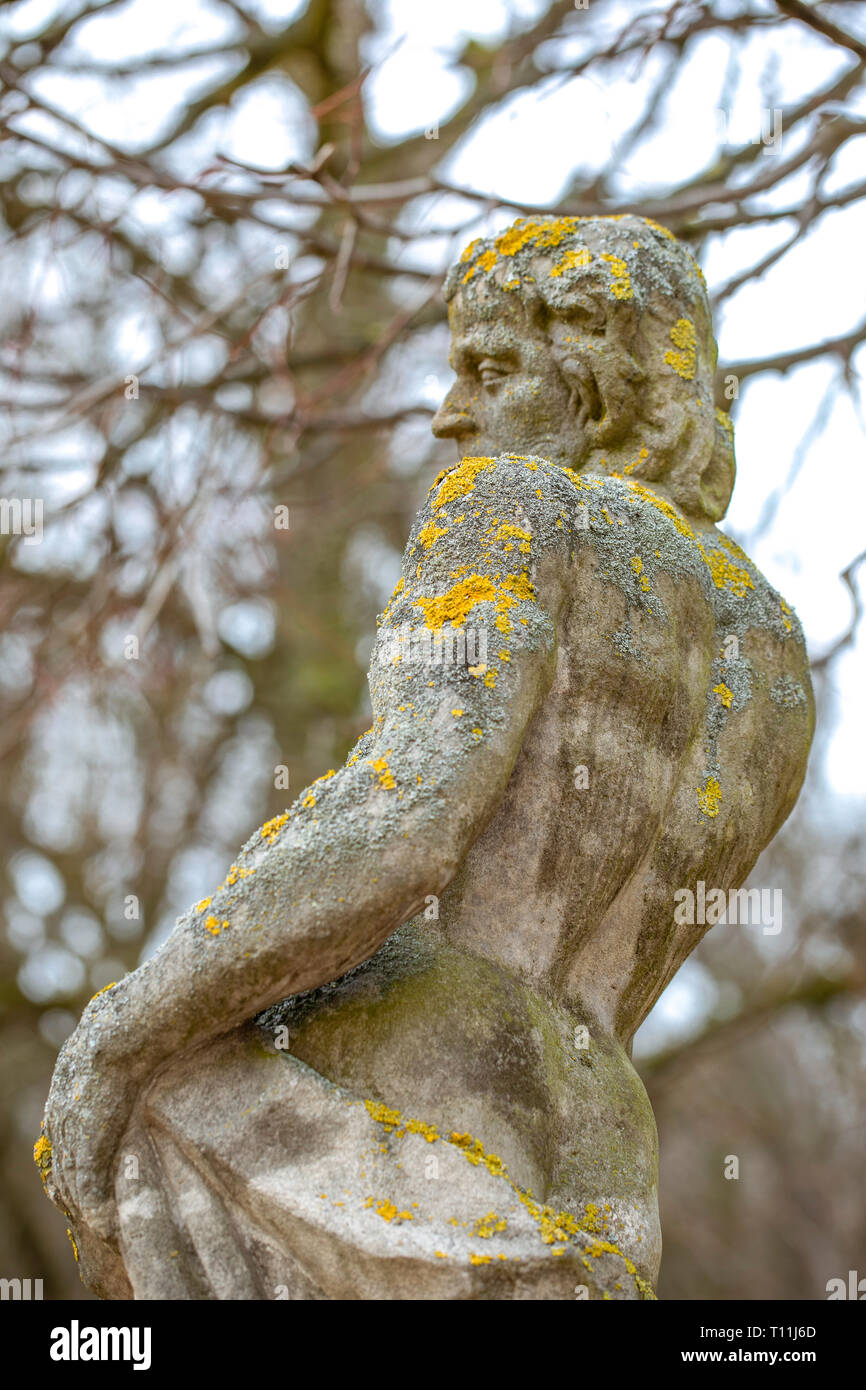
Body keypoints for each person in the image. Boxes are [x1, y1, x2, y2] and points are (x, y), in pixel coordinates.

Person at [39, 215, 813, 1299]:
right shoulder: (769, 647)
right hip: (605, 1145)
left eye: (489, 370)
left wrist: (127, 1030)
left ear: (590, 386)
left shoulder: (512, 508)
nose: (452, 413)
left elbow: (406, 824)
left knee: (170, 1078)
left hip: (396, 1096)